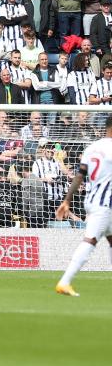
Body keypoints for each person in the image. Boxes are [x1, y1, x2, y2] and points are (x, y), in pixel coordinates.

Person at [56, 118, 112, 296]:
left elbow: (79, 176)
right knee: (90, 241)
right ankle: (65, 282)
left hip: (93, 200)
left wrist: (67, 200)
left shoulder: (92, 148)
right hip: (105, 204)